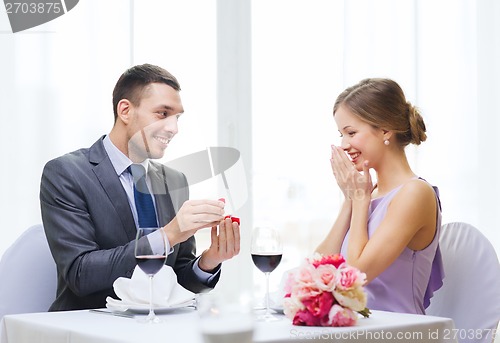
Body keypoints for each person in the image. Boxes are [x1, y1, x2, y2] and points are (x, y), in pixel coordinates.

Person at [40, 64, 241, 311]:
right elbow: (80, 274)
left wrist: (209, 261)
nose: (173, 128)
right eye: (162, 113)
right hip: (88, 326)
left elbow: (176, 278)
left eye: (177, 117)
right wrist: (169, 234)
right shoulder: (67, 173)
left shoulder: (175, 180)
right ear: (125, 110)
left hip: (157, 328)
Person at [316, 78, 443, 315]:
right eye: (341, 135)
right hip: (355, 331)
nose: (343, 145)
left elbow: (355, 275)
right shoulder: (366, 193)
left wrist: (360, 201)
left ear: (385, 130)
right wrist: (350, 201)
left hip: (398, 333)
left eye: (351, 132)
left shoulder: (415, 193)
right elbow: (316, 269)